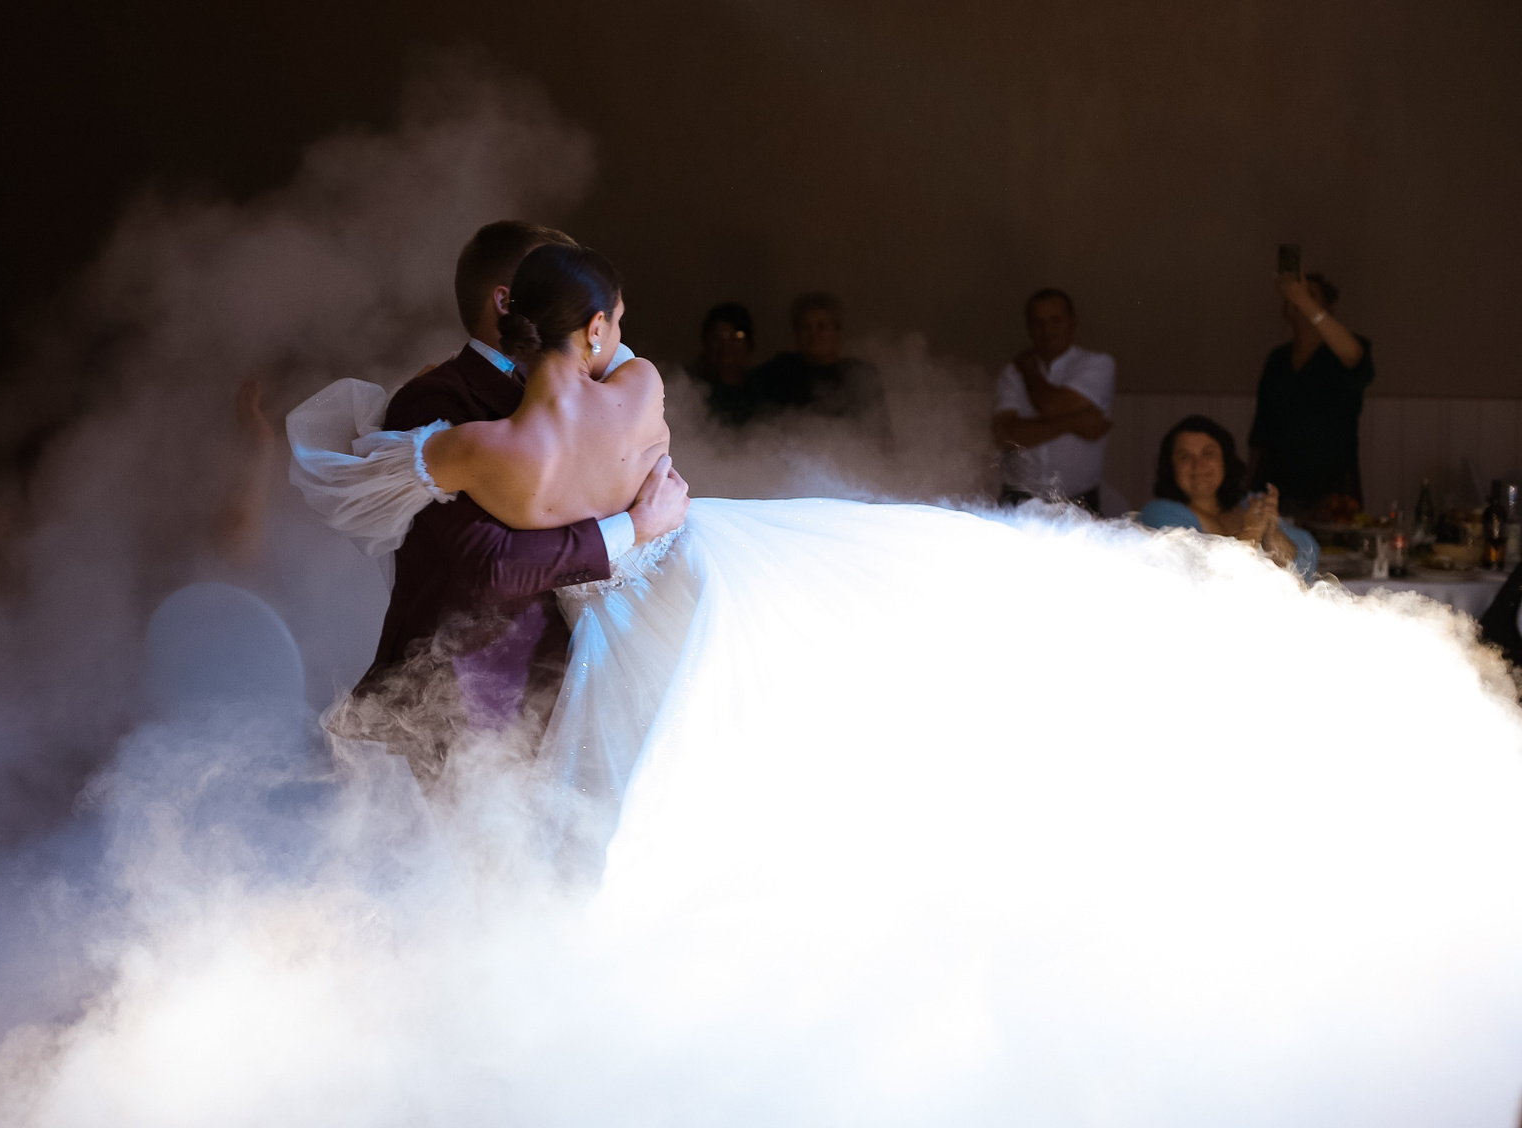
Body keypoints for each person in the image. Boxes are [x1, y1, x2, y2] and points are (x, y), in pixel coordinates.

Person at [286, 252, 1522, 1114]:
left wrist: (368, 447)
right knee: (734, 736)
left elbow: (425, 500)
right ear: (602, 329)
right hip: (679, 571)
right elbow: (603, 489)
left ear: (511, 325)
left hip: (610, 615)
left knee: (646, 790)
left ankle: (568, 1004)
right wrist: (631, 510)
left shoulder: (481, 446)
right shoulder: (641, 388)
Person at [290, 223, 688, 785]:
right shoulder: (435, 401)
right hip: (469, 687)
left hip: (577, 672)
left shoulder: (600, 385)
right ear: (507, 301)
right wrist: (633, 527)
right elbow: (491, 565)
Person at [1248, 270, 1373, 518]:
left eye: (1310, 295)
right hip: (1277, 485)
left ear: (1329, 307)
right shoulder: (1278, 360)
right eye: (1292, 297)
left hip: (1332, 486)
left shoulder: (1344, 350)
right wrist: (1250, 480)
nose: (1298, 300)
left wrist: (1303, 300)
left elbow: (1353, 357)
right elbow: (1261, 427)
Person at [1138, 415, 1318, 579]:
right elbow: (1199, 578)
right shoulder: (1159, 513)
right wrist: (1252, 532)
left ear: (1225, 460)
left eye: (1208, 453)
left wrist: (1272, 532)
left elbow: (1307, 563)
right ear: (1171, 467)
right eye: (1185, 457)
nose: (1198, 464)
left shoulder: (1250, 504)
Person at [992, 287, 1113, 513]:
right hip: (1017, 501)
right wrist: (1074, 422)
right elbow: (1004, 435)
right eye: (1038, 322)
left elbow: (1051, 407)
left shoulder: (1098, 364)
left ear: (1072, 321)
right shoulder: (1013, 373)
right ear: (1028, 326)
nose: (1046, 330)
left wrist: (1030, 369)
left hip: (1077, 502)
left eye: (1055, 320)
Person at [750, 292, 889, 434]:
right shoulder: (780, 372)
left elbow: (880, 434)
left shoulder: (859, 376)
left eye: (821, 327)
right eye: (805, 327)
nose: (813, 334)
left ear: (837, 331)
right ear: (796, 333)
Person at [685, 302, 759, 427]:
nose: (726, 346)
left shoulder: (763, 388)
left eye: (736, 337)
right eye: (717, 337)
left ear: (749, 343)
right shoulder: (694, 391)